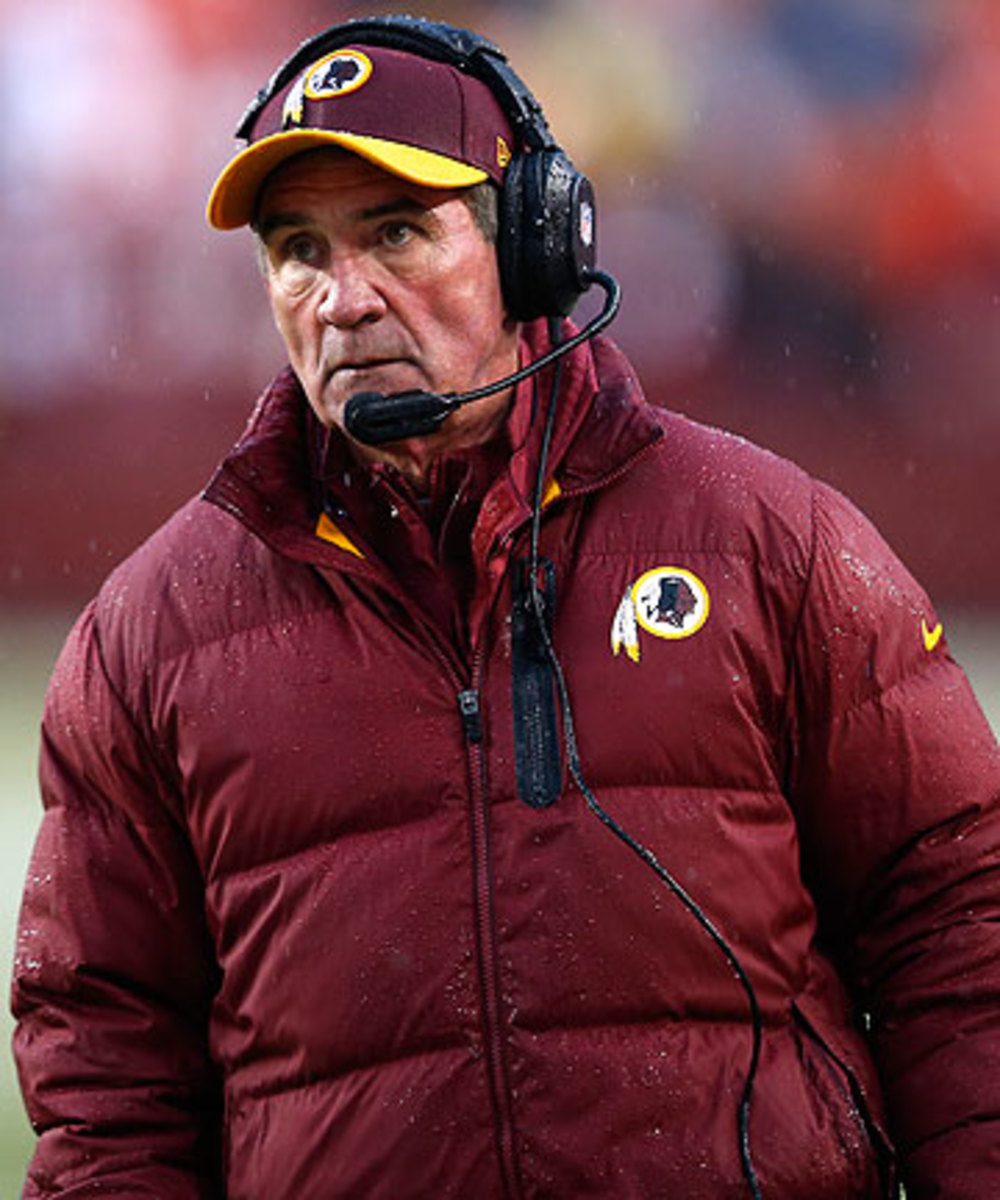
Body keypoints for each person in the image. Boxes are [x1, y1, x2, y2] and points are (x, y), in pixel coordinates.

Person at [11, 15, 1000, 1200]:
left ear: (534, 248)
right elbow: (104, 1060)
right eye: (299, 249)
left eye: (396, 232)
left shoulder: (770, 545)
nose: (342, 299)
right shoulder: (148, 638)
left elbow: (959, 924)